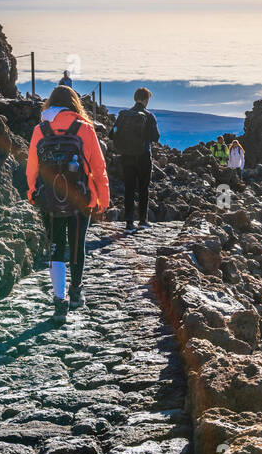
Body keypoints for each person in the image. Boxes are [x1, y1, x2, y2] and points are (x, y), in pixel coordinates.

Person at [26, 86, 108, 319]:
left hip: (49, 198)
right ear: (74, 104)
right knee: (76, 245)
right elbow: (98, 168)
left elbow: (32, 166)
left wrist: (33, 191)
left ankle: (59, 300)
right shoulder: (85, 128)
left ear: (50, 104)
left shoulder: (39, 130)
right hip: (80, 198)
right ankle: (75, 293)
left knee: (56, 246)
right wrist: (102, 199)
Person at [110, 86, 161, 231]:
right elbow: (156, 138)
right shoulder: (149, 116)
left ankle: (129, 223)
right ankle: (143, 221)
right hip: (144, 156)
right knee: (143, 188)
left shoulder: (123, 115)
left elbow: (112, 133)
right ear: (146, 99)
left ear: (135, 98)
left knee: (129, 189)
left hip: (126, 156)